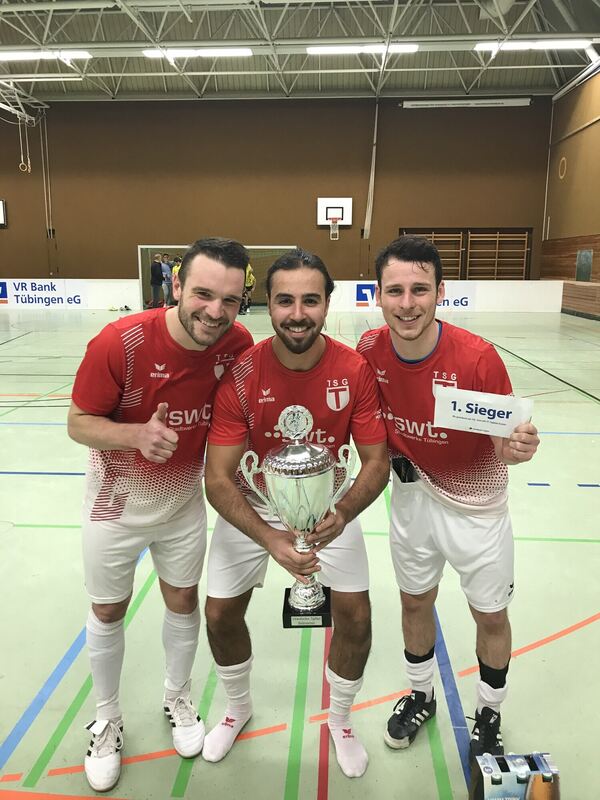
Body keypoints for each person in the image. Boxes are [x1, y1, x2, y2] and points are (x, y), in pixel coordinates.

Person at [67, 237, 253, 792]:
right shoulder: (119, 342)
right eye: (203, 294)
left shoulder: (236, 344)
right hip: (114, 506)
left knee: (183, 601)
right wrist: (134, 435)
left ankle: (178, 696)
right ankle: (107, 718)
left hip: (182, 505)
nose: (215, 312)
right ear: (175, 285)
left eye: (229, 300)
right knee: (108, 610)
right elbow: (78, 422)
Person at [203, 248, 389, 778]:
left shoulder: (353, 369)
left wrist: (343, 512)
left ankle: (341, 721)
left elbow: (376, 462)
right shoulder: (242, 374)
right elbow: (218, 478)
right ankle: (237, 708)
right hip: (255, 505)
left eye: (311, 300)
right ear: (268, 304)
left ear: (328, 303)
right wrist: (269, 538)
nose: (298, 313)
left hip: (328, 509)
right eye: (285, 301)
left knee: (357, 618)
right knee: (218, 614)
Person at [357, 236, 539, 761]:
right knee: (415, 601)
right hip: (411, 499)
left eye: (419, 289)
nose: (407, 303)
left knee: (491, 616)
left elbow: (504, 442)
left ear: (441, 292)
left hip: (476, 509)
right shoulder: (369, 351)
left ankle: (489, 711)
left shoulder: (478, 358)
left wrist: (516, 448)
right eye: (395, 291)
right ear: (378, 295)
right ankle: (421, 695)